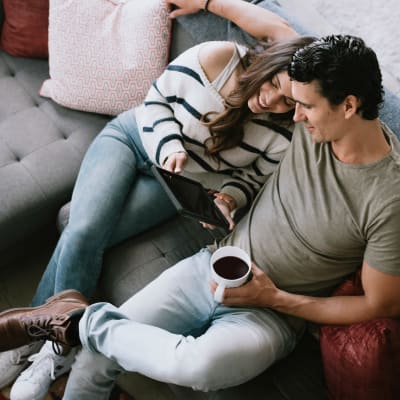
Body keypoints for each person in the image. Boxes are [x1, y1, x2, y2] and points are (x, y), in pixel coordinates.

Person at [1, 32, 400, 399]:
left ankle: (74, 321)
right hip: (212, 266)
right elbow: (278, 28)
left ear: (349, 105)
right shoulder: (310, 122)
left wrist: (275, 298)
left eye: (305, 107)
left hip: (271, 315)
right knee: (95, 357)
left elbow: (378, 305)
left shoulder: (388, 198)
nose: (293, 116)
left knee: (195, 364)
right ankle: (70, 331)